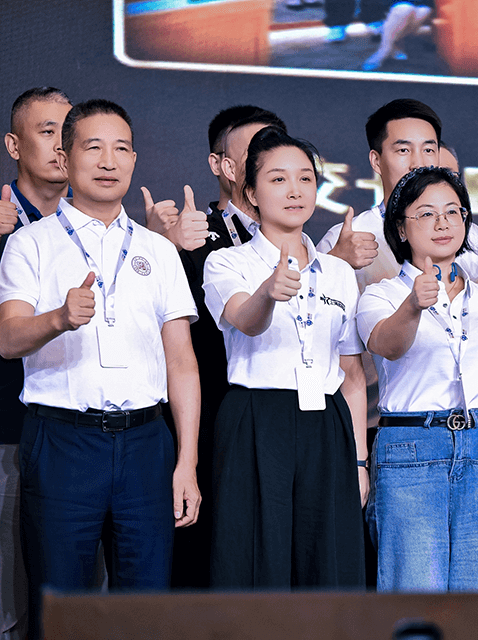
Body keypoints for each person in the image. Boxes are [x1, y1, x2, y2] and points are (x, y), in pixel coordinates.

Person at [0, 99, 201, 640]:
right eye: (93, 147)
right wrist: (59, 318)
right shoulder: (29, 243)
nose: (109, 161)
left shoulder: (158, 251)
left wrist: (186, 462)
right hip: (63, 443)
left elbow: (182, 363)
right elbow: (7, 339)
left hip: (146, 445)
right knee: (60, 610)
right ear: (65, 158)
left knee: (146, 612)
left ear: (134, 159)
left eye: (121, 149)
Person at [202, 126, 366, 589]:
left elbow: (352, 374)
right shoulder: (227, 262)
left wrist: (358, 461)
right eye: (278, 179)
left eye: (305, 178)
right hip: (257, 416)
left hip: (326, 420)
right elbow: (244, 319)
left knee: (328, 563)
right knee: (256, 561)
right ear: (251, 193)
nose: (295, 190)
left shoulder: (339, 272)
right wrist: (268, 293)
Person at [357, 166, 478, 591]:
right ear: (401, 227)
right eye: (427, 214)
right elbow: (387, 344)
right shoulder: (382, 294)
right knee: (414, 597)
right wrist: (413, 306)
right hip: (411, 448)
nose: (443, 222)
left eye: (453, 211)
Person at [167, 106, 287, 589]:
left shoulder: (307, 246)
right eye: (254, 154)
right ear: (221, 165)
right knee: (215, 560)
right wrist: (168, 246)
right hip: (214, 418)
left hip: (284, 424)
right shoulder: (191, 235)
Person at [0, 85, 72, 640]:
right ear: (14, 145)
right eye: (47, 132)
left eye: (69, 133)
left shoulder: (110, 233)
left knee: (74, 606)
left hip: (79, 439)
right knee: (8, 603)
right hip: (7, 434)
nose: (61, 145)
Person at [319, 99, 478, 291]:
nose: (418, 164)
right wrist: (336, 261)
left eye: (428, 150)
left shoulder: (469, 235)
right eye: (403, 150)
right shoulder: (343, 239)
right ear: (376, 161)